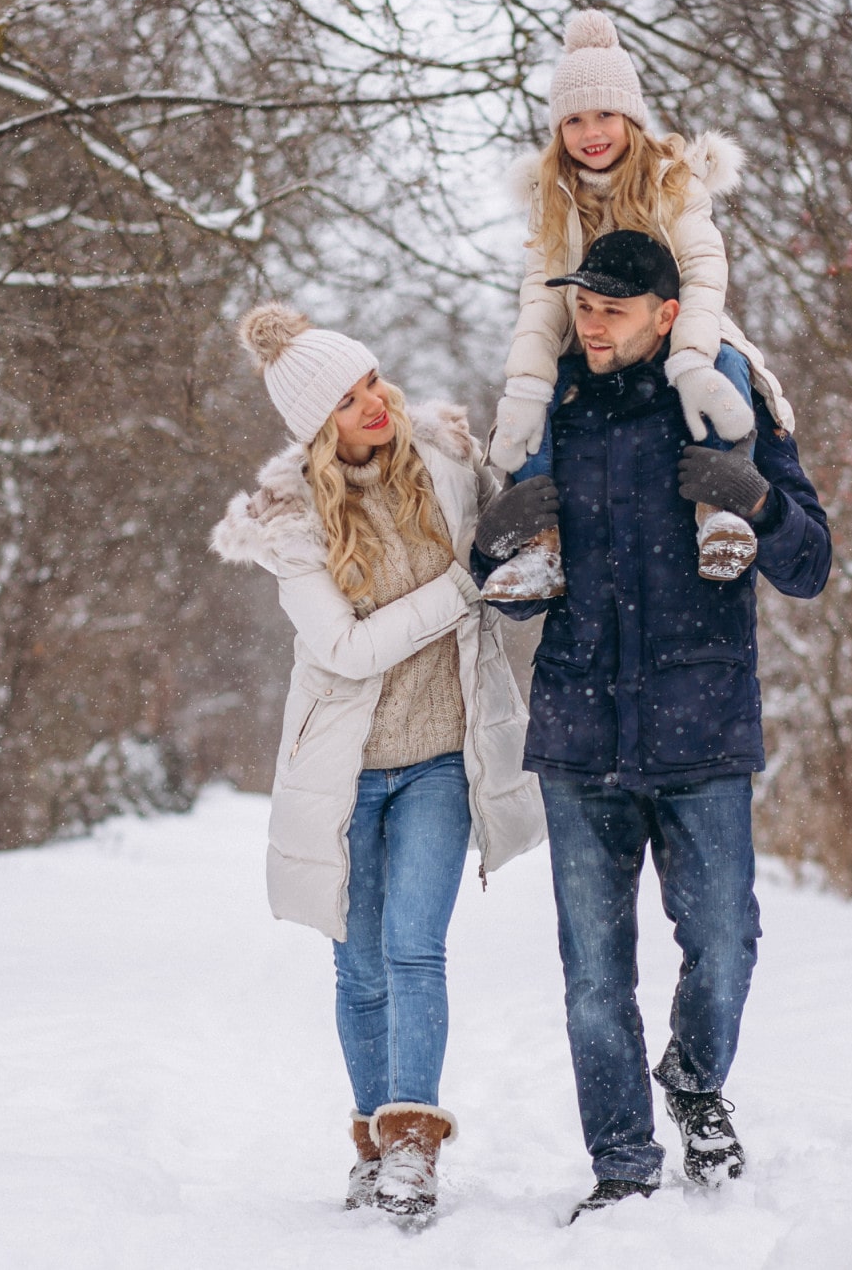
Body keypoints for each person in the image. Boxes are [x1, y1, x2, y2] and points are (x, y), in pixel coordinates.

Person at [470, 231, 832, 1220]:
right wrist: (493, 541)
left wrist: (754, 500)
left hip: (700, 726)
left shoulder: (722, 404)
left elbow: (809, 564)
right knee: (593, 974)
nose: (589, 323)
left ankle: (694, 1077)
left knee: (724, 939)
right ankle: (622, 1161)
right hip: (579, 733)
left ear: (665, 314)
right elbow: (503, 591)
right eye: (581, 305)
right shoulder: (556, 411)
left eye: (612, 307)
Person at [211, 304, 546, 1224]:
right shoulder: (290, 525)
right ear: (316, 428)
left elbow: (513, 524)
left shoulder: (443, 462)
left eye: (370, 381)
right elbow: (349, 652)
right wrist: (459, 585)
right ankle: (369, 1139)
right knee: (357, 967)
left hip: (440, 757)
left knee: (413, 945)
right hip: (346, 770)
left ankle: (411, 1147)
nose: (372, 402)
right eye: (347, 398)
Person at [482, 9, 800, 598]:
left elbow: (704, 273)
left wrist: (690, 360)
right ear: (558, 131)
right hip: (590, 340)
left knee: (724, 367)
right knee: (536, 403)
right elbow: (542, 296)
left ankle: (720, 514)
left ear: (631, 116)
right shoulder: (551, 196)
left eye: (605, 113)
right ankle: (540, 548)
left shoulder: (671, 181)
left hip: (682, 328)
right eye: (573, 119)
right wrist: (526, 385)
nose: (590, 130)